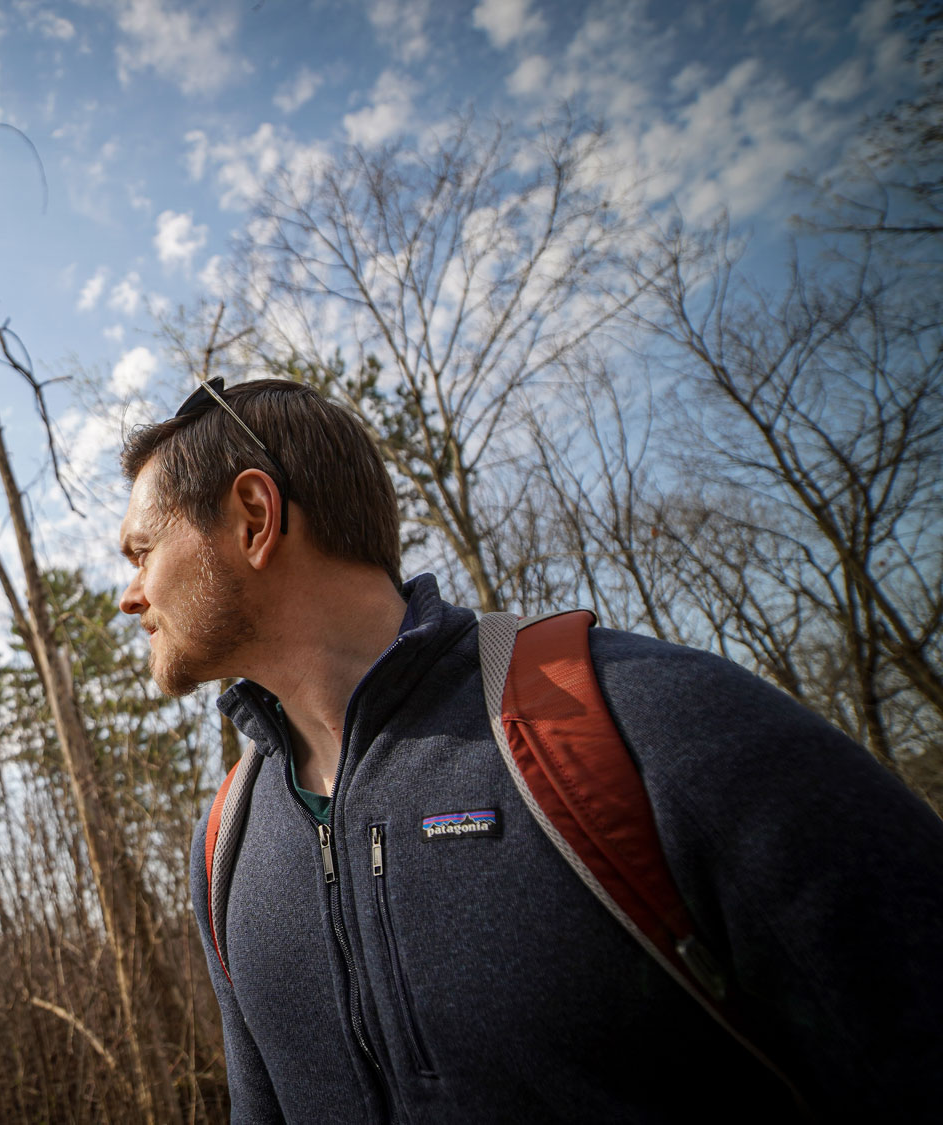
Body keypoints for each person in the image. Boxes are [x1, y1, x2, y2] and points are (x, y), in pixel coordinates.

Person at [114, 377, 943, 1123]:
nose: (128, 594)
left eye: (142, 551)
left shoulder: (645, 723)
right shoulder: (225, 845)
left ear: (254, 518)